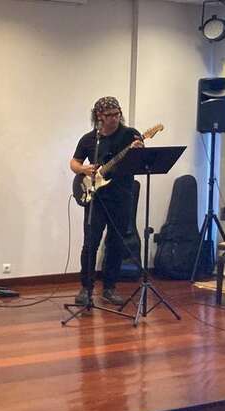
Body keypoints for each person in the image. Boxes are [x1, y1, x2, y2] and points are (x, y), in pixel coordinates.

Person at [70, 96, 143, 306]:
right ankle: (86, 288)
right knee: (90, 243)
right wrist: (83, 169)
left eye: (117, 114)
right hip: (96, 198)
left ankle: (110, 288)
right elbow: (74, 163)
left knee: (116, 243)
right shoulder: (89, 139)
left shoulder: (130, 134)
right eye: (109, 115)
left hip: (121, 196)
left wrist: (139, 151)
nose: (114, 118)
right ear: (99, 116)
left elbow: (140, 162)